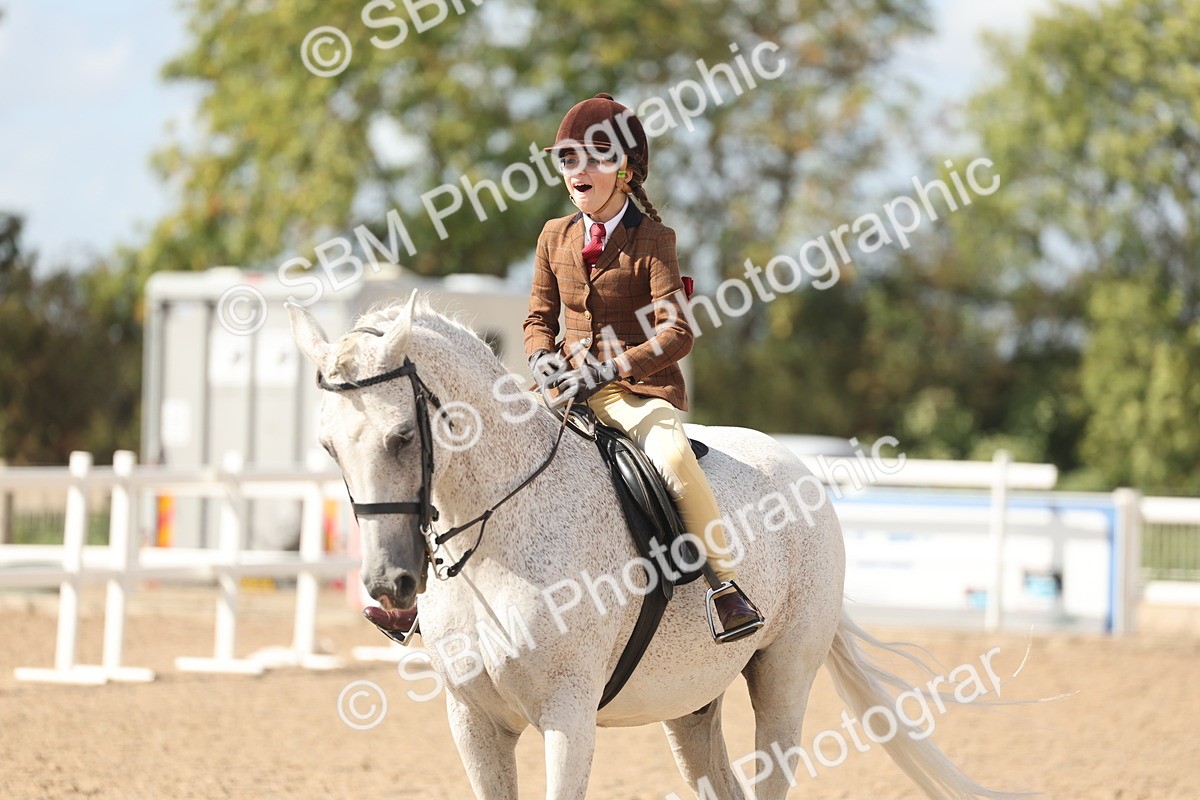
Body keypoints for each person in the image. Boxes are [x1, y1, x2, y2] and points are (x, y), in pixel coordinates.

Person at [525, 93, 764, 643]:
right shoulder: (553, 235)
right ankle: (422, 594)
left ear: (625, 169)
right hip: (561, 388)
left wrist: (606, 371)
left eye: (593, 157)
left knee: (675, 458)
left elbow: (675, 334)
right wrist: (541, 357)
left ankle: (725, 587)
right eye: (567, 159)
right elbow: (538, 318)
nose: (577, 171)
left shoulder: (655, 242)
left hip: (633, 387)